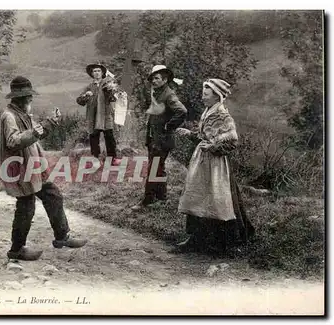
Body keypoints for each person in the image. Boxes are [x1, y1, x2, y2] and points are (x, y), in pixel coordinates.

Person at [0, 76, 88, 261]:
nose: (30, 99)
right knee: (26, 207)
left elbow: (34, 135)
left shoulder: (23, 114)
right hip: (21, 169)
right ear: (19, 98)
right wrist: (39, 128)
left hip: (34, 166)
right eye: (28, 97)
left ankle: (62, 237)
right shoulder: (9, 116)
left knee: (52, 194)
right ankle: (16, 249)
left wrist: (50, 122)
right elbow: (13, 141)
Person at [175, 78, 255, 254]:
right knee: (197, 197)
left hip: (216, 164)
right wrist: (190, 134)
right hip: (202, 161)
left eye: (206, 94)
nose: (203, 97)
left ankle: (222, 243)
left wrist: (213, 147)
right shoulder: (207, 112)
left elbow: (232, 140)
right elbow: (204, 136)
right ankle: (195, 238)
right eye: (203, 94)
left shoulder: (222, 115)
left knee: (218, 200)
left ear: (217, 96)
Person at [131, 65, 187, 211]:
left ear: (165, 79)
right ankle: (161, 197)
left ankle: (148, 200)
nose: (153, 81)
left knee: (153, 168)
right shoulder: (157, 93)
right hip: (155, 139)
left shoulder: (169, 95)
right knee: (159, 168)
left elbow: (181, 111)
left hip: (161, 140)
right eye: (152, 78)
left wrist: (169, 126)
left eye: (157, 78)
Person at [76, 63, 121, 168]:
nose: (96, 73)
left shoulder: (107, 85)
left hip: (105, 116)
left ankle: (112, 159)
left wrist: (112, 91)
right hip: (93, 116)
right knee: (94, 138)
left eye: (98, 71)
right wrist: (86, 96)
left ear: (102, 73)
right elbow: (79, 101)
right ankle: (96, 159)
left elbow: (113, 98)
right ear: (92, 74)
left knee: (109, 137)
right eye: (94, 71)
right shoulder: (89, 87)